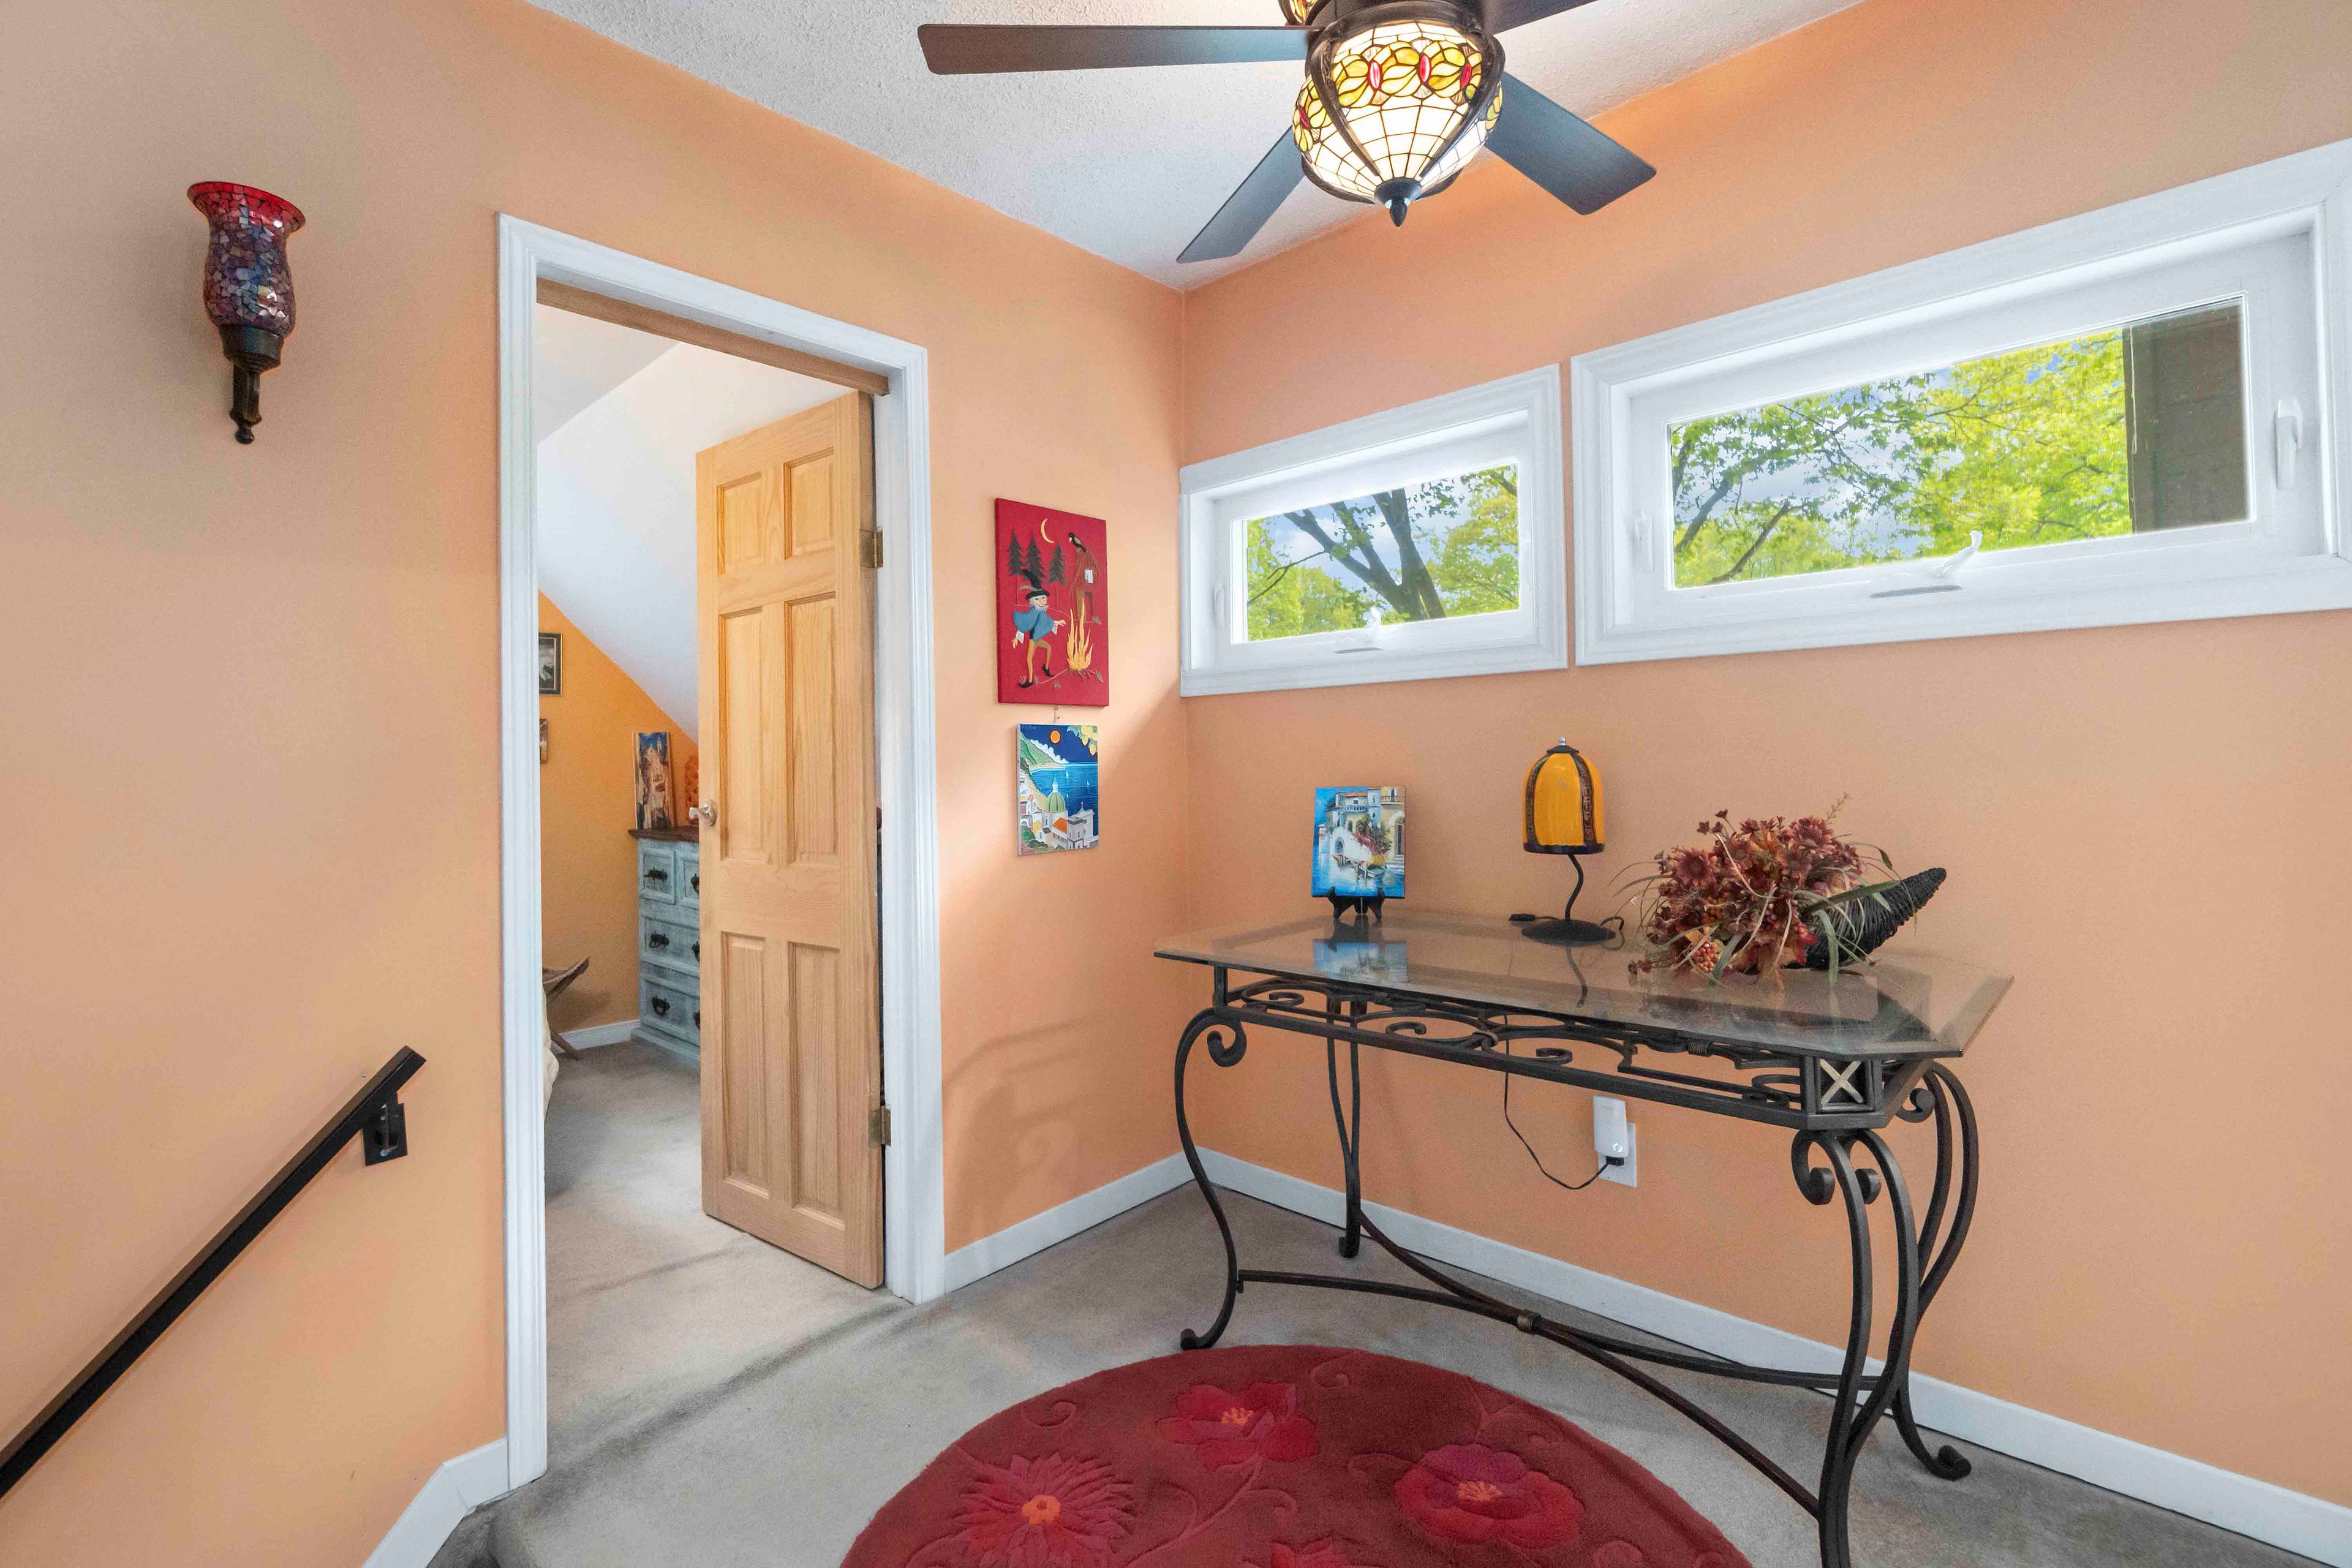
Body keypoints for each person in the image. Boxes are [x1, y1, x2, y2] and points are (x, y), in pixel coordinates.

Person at [1009, 576, 1064, 688]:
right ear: (1036, 600)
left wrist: (1057, 622)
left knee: (1048, 648)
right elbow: (1026, 623)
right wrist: (1017, 637)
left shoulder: (1041, 612)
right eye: (1043, 598)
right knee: (1029, 659)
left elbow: (1047, 620)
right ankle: (1030, 681)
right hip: (1033, 640)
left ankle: (1046, 667)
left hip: (1037, 639)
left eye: (1045, 598)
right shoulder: (1034, 612)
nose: (1045, 600)